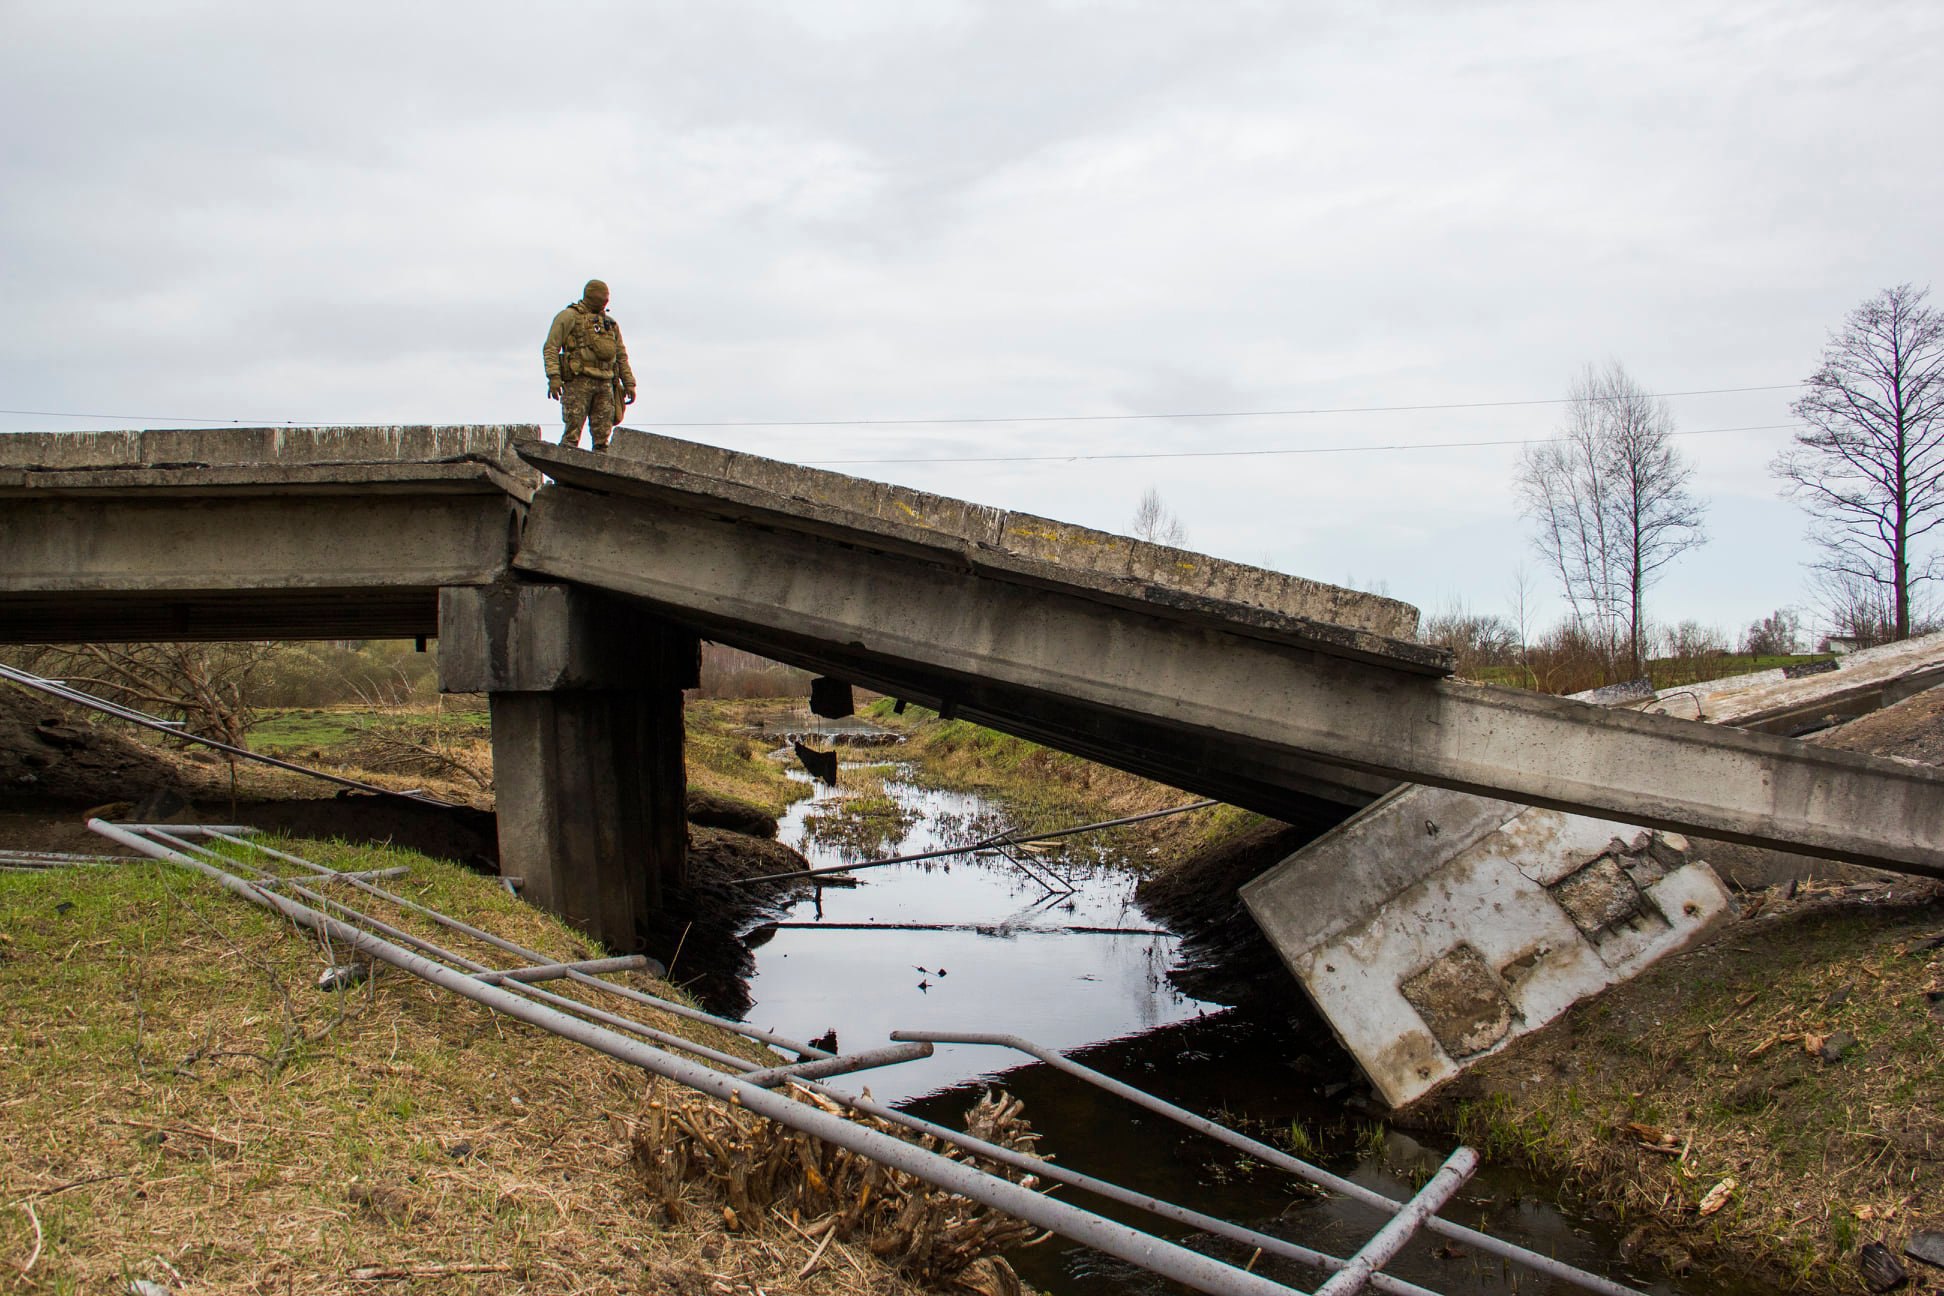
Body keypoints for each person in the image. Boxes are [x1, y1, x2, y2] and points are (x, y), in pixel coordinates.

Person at [543, 279, 636, 451]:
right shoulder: (569, 316)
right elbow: (551, 347)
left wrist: (629, 382)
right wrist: (554, 376)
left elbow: (621, 355)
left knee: (602, 435)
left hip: (605, 382)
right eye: (600, 297)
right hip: (579, 380)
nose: (604, 300)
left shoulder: (610, 324)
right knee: (572, 429)